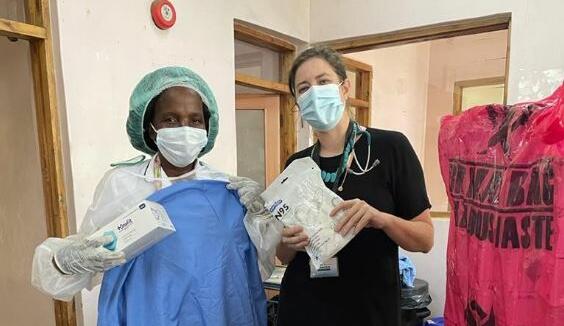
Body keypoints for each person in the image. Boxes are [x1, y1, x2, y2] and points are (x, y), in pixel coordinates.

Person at [31, 66, 267, 326]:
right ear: (152, 128)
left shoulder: (226, 188)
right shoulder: (124, 185)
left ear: (206, 129)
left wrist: (261, 218)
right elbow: (86, 259)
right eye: (171, 119)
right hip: (145, 315)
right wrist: (66, 260)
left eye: (195, 120)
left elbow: (255, 268)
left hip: (215, 315)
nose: (184, 127)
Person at [231, 46, 434, 326]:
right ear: (297, 104)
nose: (313, 91)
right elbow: (285, 254)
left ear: (344, 88)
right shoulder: (297, 164)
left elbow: (425, 238)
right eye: (303, 88)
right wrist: (289, 241)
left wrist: (381, 219)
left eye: (323, 82)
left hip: (367, 311)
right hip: (304, 307)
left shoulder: (390, 148)